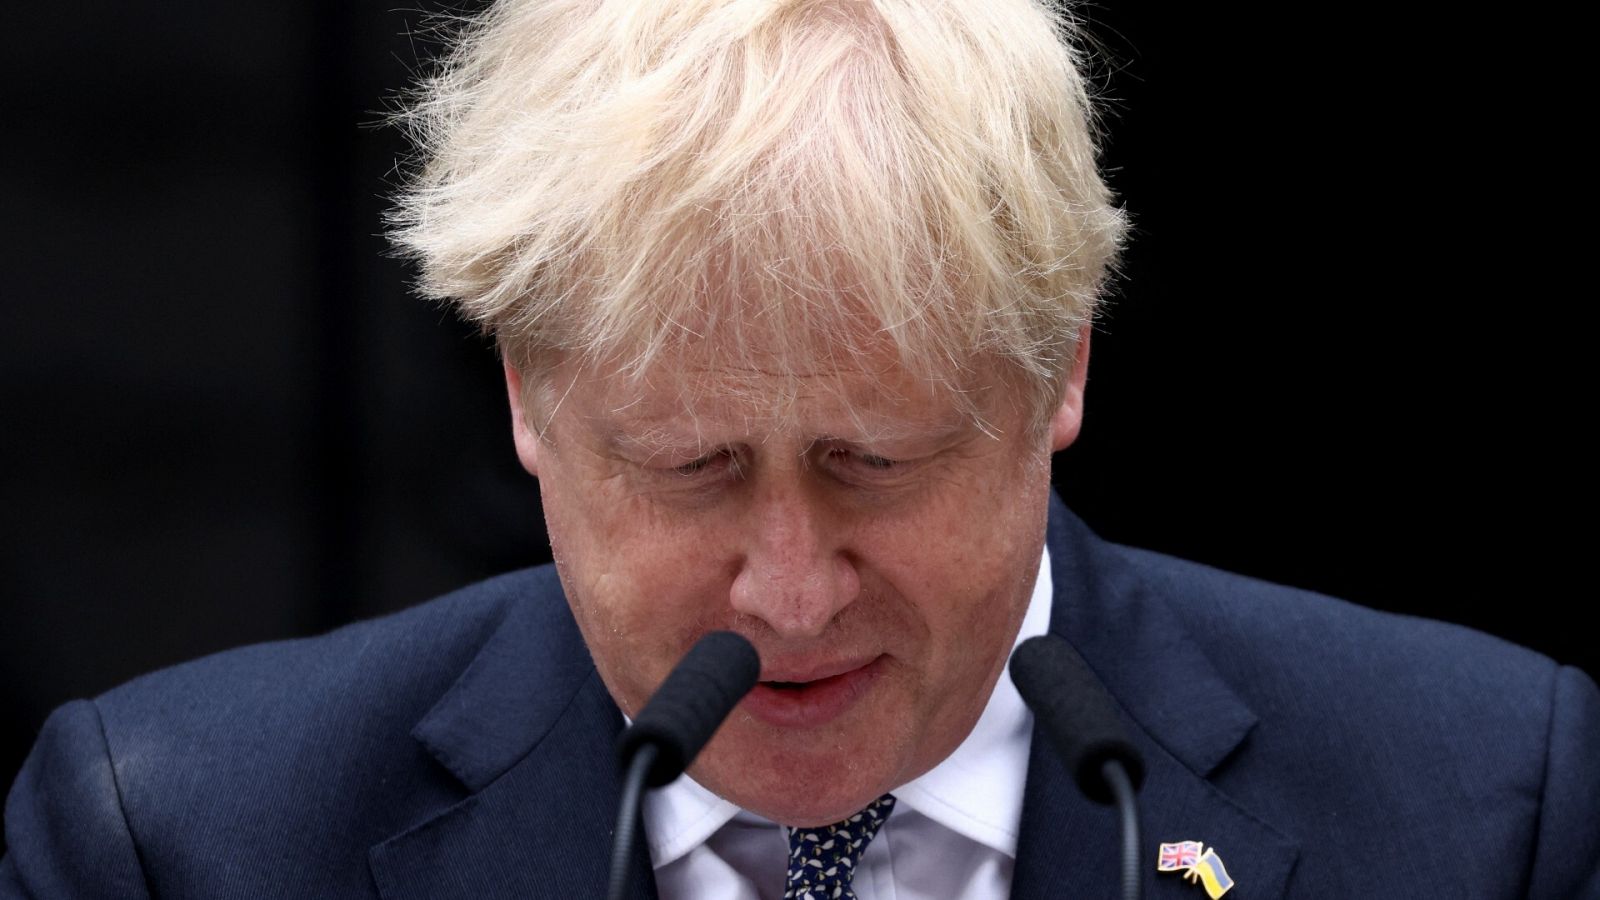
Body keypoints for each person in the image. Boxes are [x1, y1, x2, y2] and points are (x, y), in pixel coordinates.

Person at [4, 0, 1596, 897]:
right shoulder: (180, 841)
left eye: (875, 462)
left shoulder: (1486, 805)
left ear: (1063, 368)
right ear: (526, 401)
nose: (788, 591)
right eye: (690, 467)